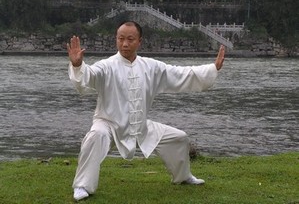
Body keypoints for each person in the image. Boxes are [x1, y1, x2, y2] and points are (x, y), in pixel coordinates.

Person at [67, 21, 225, 201]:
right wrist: (78, 66)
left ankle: (183, 176)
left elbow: (181, 74)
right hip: (108, 124)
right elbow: (88, 76)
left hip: (140, 126)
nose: (125, 44)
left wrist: (213, 68)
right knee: (95, 135)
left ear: (139, 41)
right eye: (120, 39)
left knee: (179, 138)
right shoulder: (106, 66)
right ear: (116, 40)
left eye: (130, 39)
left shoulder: (151, 67)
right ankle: (82, 186)